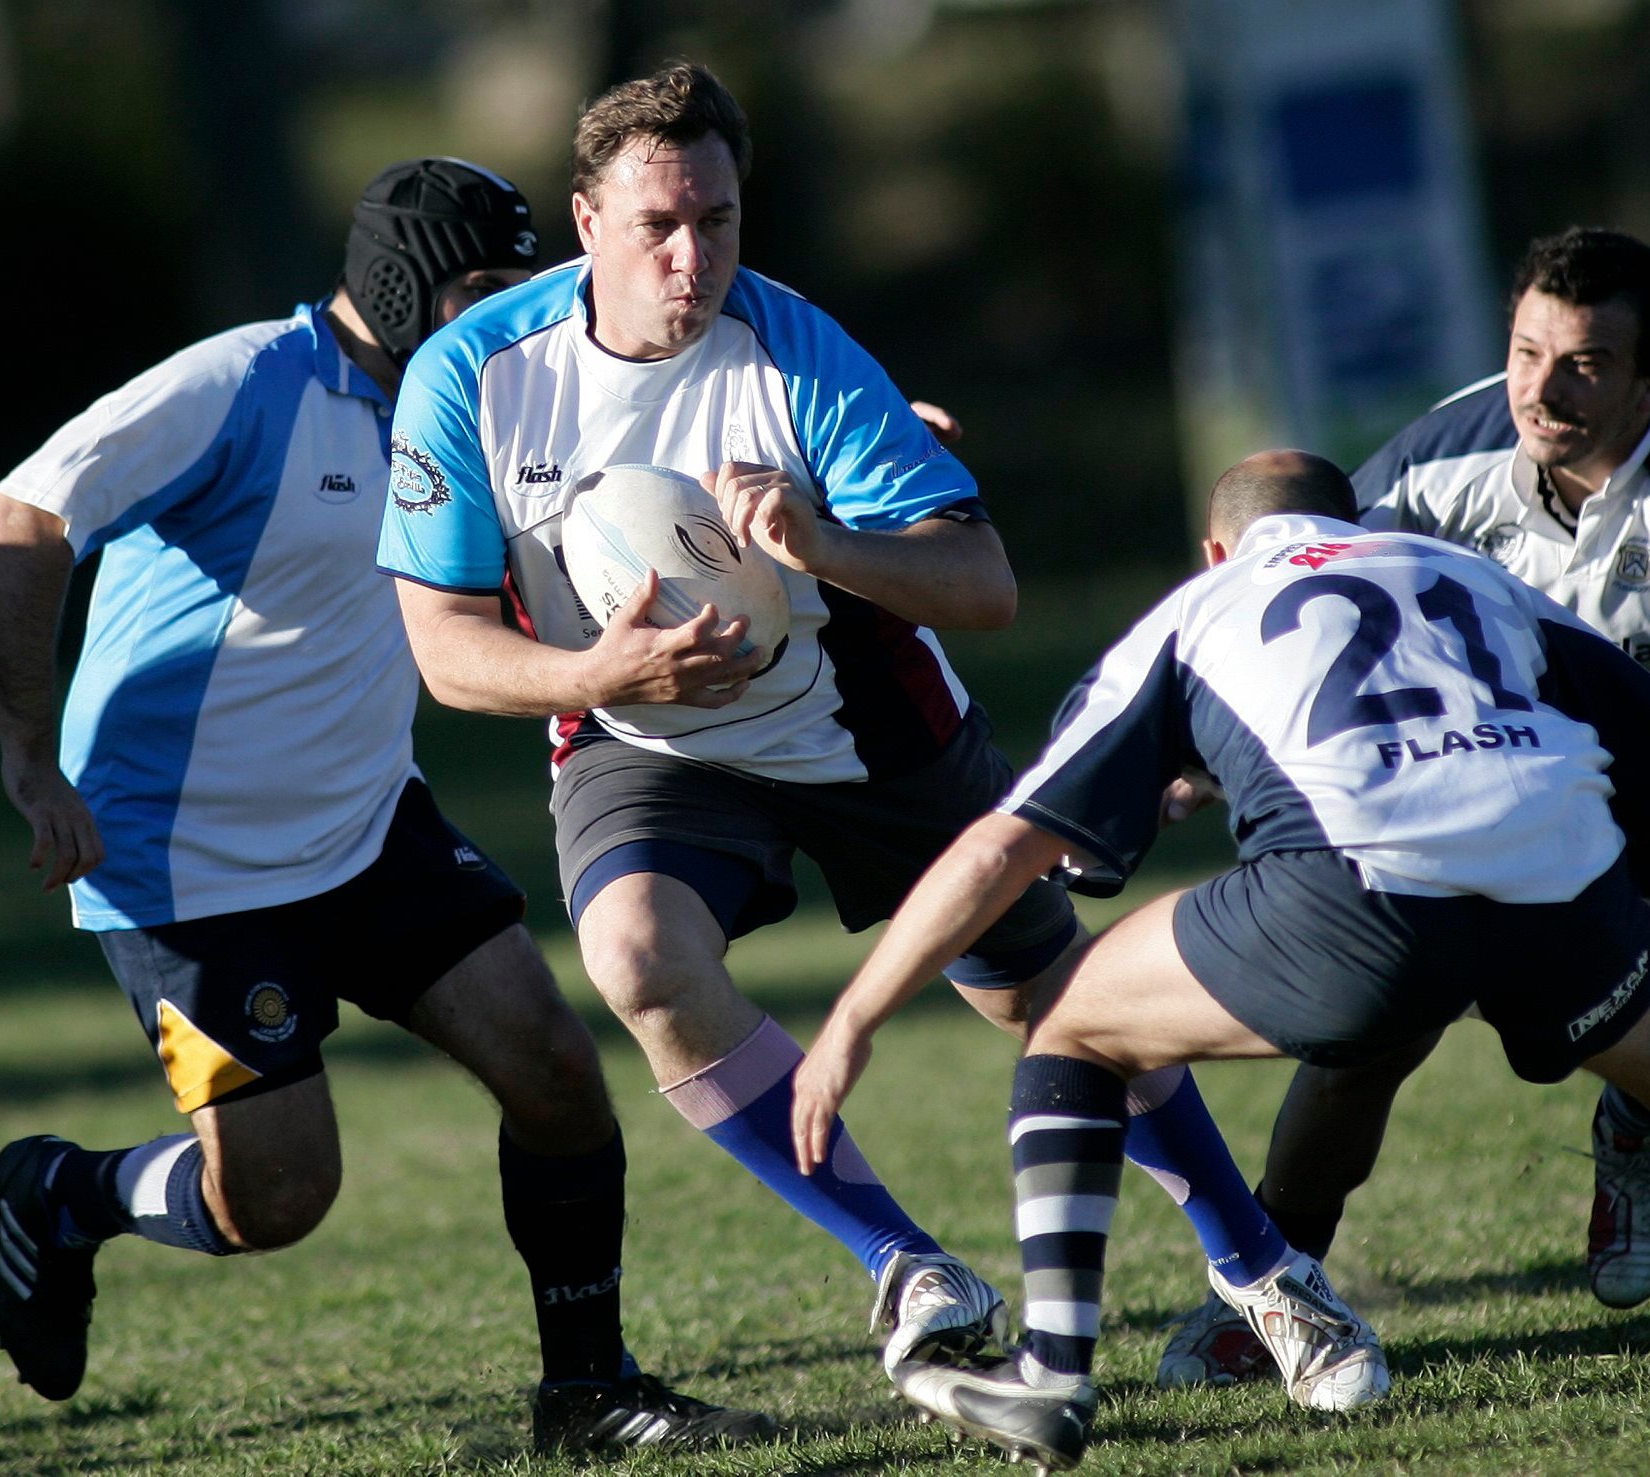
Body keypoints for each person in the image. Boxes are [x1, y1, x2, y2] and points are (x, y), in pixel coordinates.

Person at [371, 60, 1372, 1399]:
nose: (690, 255)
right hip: (646, 741)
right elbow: (442, 648)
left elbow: (983, 585)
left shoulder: (799, 353)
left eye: (716, 221)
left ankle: (1263, 1273)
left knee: (1055, 1002)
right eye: (659, 225)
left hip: (866, 727)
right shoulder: (476, 378)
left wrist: (825, 544)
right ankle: (906, 1263)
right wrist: (596, 673)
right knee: (634, 957)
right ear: (586, 219)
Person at [0, 156, 777, 1455]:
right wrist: (26, 754)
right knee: (277, 1198)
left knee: (561, 1075)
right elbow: (23, 512)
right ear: (403, 287)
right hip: (190, 865)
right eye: (480, 290)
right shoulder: (242, 382)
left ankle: (585, 1391)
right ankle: (67, 1193)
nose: (507, 317)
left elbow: (659, 466)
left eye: (521, 291)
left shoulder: (475, 403)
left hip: (367, 827)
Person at [792, 449, 1650, 1469]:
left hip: (1358, 910)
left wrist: (851, 1019)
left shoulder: (1199, 607)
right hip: (1564, 895)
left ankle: (1050, 1371)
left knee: (1071, 1017)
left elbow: (1006, 847)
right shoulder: (1469, 575)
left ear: (1214, 549)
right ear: (1360, 522)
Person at [1155, 228, 1650, 1390]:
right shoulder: (1445, 457)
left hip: (1632, 783)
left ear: (1647, 379)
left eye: (1584, 363)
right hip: (1469, 785)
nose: (1539, 388)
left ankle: (1635, 1130)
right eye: (1526, 349)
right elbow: (1283, 578)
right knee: (1365, 1030)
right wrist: (1197, 740)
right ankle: (1277, 1283)